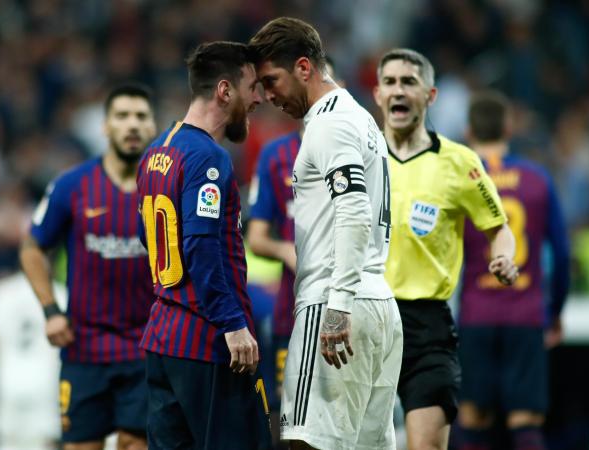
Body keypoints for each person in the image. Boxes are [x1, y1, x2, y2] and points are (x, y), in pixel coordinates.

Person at [250, 17, 403, 450]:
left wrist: (337, 305)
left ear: (303, 68)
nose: (267, 95)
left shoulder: (328, 125)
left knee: (304, 442)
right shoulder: (361, 120)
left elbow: (353, 212)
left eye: (271, 80)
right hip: (377, 304)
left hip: (334, 305)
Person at [372, 49, 519, 450]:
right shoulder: (360, 158)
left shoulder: (460, 163)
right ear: (378, 94)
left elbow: (498, 227)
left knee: (428, 446)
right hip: (366, 318)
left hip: (427, 326)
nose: (398, 90)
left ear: (430, 95)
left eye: (408, 82)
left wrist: (503, 256)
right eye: (390, 82)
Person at [135, 41, 270, 450]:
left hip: (162, 340)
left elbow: (148, 236)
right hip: (207, 343)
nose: (259, 99)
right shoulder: (208, 159)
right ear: (225, 91)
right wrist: (232, 323)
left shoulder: (157, 151)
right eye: (252, 88)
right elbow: (200, 247)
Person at [20, 84, 157, 450]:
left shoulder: (165, 189)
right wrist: (51, 310)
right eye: (122, 116)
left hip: (145, 348)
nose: (132, 125)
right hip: (85, 348)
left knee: (135, 443)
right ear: (105, 126)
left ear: (153, 126)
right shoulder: (72, 185)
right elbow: (32, 249)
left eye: (141, 117)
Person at [457, 90, 571, 450]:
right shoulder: (537, 178)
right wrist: (555, 312)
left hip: (476, 313)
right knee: (525, 419)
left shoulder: (462, 179)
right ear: (509, 127)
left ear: (467, 131)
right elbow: (563, 253)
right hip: (526, 312)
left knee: (473, 416)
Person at [246, 56, 341, 427]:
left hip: (349, 309)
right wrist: (287, 250)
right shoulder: (275, 155)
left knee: (342, 418)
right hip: (294, 312)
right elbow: (256, 238)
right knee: (289, 418)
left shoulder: (359, 146)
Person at [0, 271, 67, 450]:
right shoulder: (59, 293)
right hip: (46, 381)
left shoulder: (1, 291)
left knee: (7, 442)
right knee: (43, 442)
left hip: (7, 379)